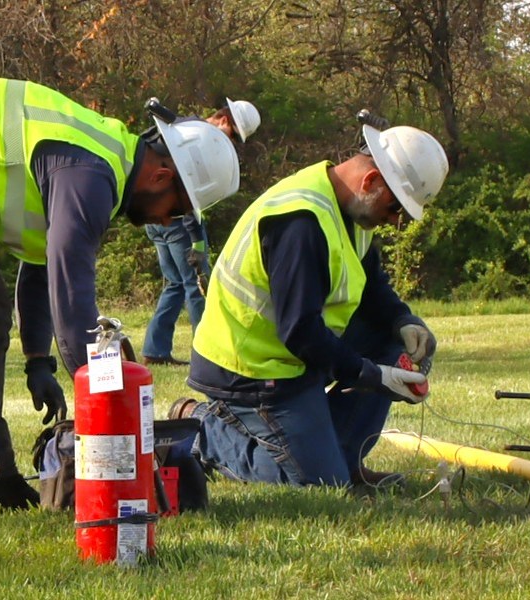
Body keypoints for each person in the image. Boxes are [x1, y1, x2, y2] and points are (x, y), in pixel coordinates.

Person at [0, 78, 240, 527]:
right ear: (161, 176)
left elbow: (42, 266)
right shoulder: (91, 174)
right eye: (176, 208)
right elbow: (71, 290)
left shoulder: (103, 164)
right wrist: (97, 394)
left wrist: (40, 359)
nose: (165, 220)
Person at [174, 122, 449, 487]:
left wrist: (403, 320)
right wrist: (371, 375)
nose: (396, 221)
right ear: (370, 182)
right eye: (396, 207)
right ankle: (202, 429)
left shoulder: (351, 210)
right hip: (252, 369)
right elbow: (300, 332)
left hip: (291, 360)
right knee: (317, 485)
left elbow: (371, 286)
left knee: (391, 342)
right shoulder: (300, 224)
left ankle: (344, 461)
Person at [141, 99, 261, 365]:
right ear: (224, 120)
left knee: (174, 284)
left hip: (156, 218)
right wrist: (196, 241)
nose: (230, 143)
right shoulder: (198, 140)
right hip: (179, 224)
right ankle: (204, 354)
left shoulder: (181, 128)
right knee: (197, 286)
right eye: (233, 136)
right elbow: (187, 192)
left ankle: (155, 349)